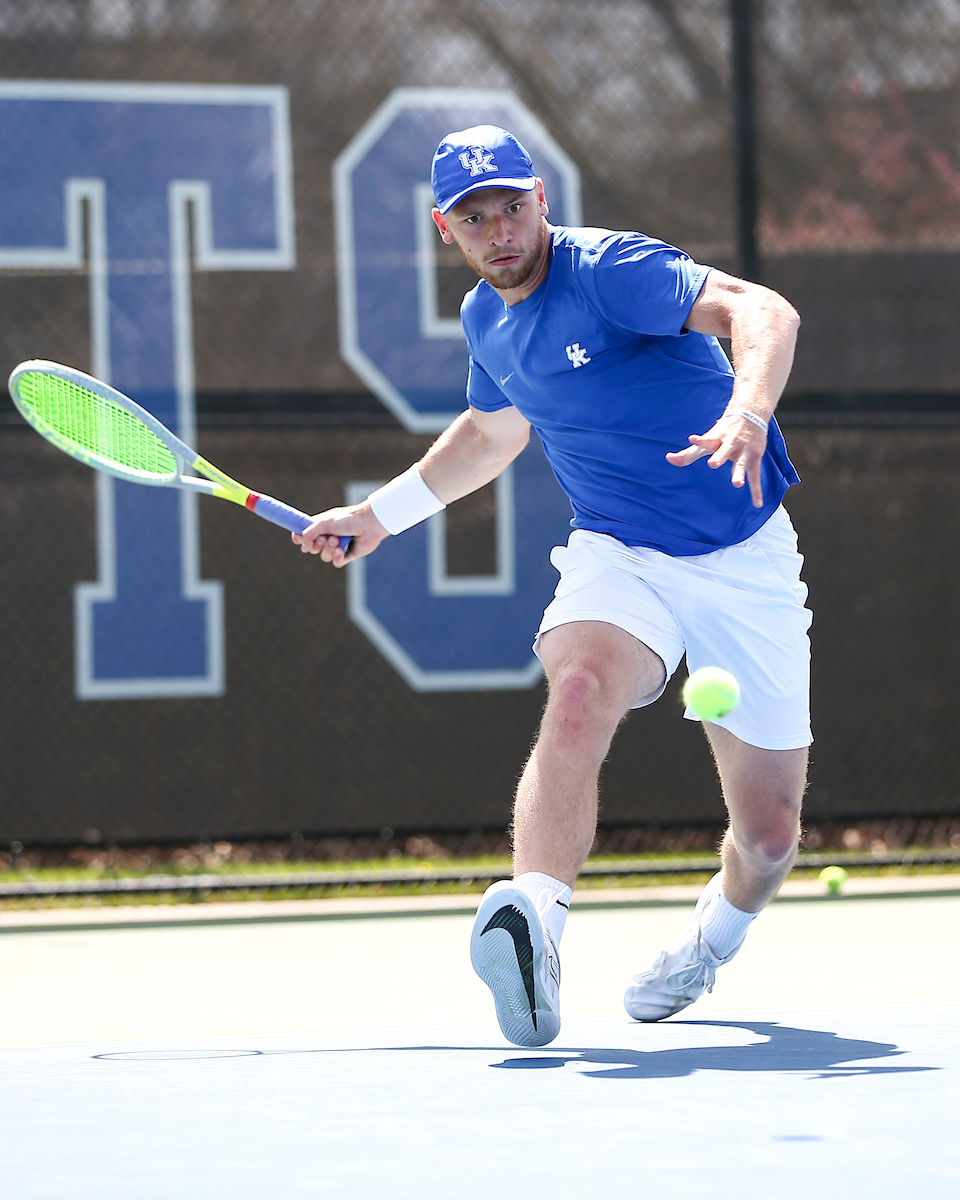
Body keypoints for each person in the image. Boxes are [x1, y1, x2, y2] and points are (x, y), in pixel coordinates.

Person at [295, 125, 811, 1048]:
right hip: (619, 550)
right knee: (576, 690)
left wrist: (749, 409)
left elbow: (762, 310)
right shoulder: (486, 321)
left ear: (542, 197)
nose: (498, 230)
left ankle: (709, 943)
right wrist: (378, 516)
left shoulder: (612, 270)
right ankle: (534, 922)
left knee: (770, 840)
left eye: (511, 206)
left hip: (744, 553)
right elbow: (491, 436)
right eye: (473, 216)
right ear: (442, 227)